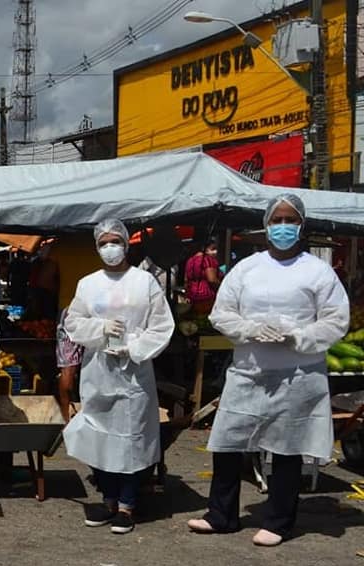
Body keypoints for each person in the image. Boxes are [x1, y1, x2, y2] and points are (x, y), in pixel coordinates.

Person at [188, 194, 349, 546]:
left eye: (290, 220)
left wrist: (299, 335)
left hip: (297, 374)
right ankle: (221, 515)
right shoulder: (248, 268)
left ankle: (278, 521)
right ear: (266, 224)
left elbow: (337, 320)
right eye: (277, 220)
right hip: (250, 371)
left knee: (286, 448)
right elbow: (222, 312)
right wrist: (250, 329)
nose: (283, 227)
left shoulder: (318, 271)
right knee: (228, 443)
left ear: (302, 226)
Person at [63, 219, 175, 535]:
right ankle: (108, 498)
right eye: (104, 242)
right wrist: (100, 329)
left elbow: (162, 325)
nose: (110, 248)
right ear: (97, 246)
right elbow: (73, 323)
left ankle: (127, 504)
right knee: (99, 433)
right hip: (99, 368)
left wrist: (134, 347)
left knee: (131, 437)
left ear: (127, 244)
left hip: (134, 371)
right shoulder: (88, 284)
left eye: (116, 241)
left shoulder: (144, 282)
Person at [55, 307, 84, 424]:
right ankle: (66, 417)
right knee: (69, 366)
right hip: (77, 313)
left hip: (76, 312)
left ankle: (67, 415)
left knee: (69, 365)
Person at [184, 237, 222, 315]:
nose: (215, 251)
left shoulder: (190, 260)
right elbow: (212, 279)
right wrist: (222, 289)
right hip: (207, 298)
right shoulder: (207, 260)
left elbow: (186, 280)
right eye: (213, 248)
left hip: (192, 296)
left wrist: (187, 294)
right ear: (205, 248)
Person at [26, 241, 60, 320]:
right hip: (41, 289)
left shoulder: (37, 262)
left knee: (39, 308)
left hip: (39, 288)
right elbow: (43, 280)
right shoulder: (38, 263)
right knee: (40, 308)